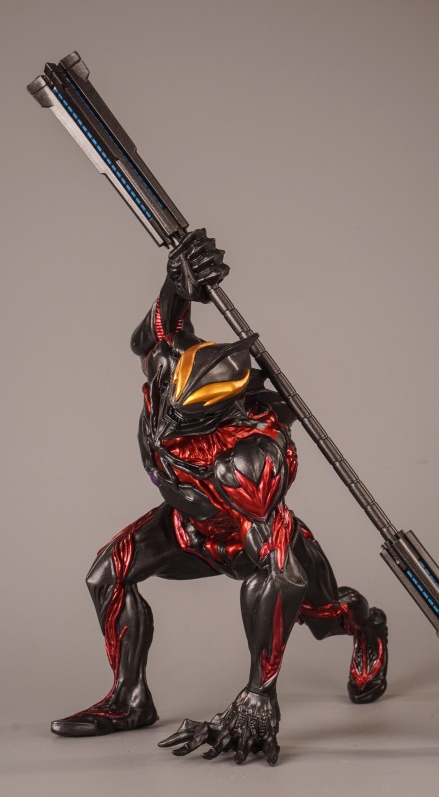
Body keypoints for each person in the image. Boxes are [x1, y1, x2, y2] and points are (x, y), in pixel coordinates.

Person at [51, 229, 388, 765]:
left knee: (325, 616)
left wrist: (260, 690)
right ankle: (130, 698)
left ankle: (367, 627)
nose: (170, 426)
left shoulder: (249, 457)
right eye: (172, 409)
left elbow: (281, 575)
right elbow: (155, 334)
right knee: (106, 575)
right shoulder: (169, 374)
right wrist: (176, 283)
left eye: (191, 420)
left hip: (252, 545)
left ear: (227, 409)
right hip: (185, 525)